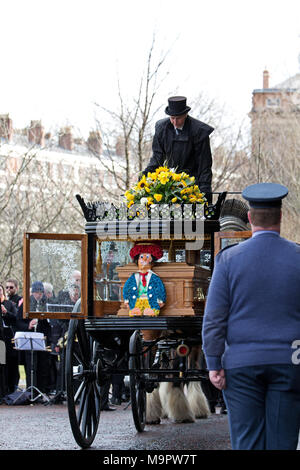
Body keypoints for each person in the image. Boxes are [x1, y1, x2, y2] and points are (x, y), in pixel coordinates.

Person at [202, 182, 300, 450]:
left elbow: (214, 319)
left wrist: (213, 362)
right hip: (290, 360)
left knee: (248, 443)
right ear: (281, 216)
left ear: (249, 218)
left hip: (241, 363)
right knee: (283, 442)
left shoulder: (228, 260)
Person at [143, 96, 214, 201]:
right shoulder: (162, 128)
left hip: (192, 184)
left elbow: (204, 165)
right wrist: (145, 176)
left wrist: (205, 189)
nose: (175, 123)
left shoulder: (199, 131)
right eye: (172, 118)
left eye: (178, 118)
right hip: (169, 183)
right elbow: (157, 158)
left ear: (185, 115)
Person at [123, 242, 166, 317]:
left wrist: (161, 300)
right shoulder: (133, 277)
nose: (144, 259)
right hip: (137, 300)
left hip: (150, 300)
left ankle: (151, 311)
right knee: (136, 311)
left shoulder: (155, 277)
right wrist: (126, 300)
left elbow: (160, 289)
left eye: (147, 257)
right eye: (141, 257)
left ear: (151, 261)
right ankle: (136, 311)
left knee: (150, 310)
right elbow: (127, 288)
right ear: (137, 261)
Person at [0, 283, 18, 396]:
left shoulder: (8, 304)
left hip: (6, 337)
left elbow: (15, 318)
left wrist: (6, 312)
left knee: (6, 364)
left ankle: (6, 390)